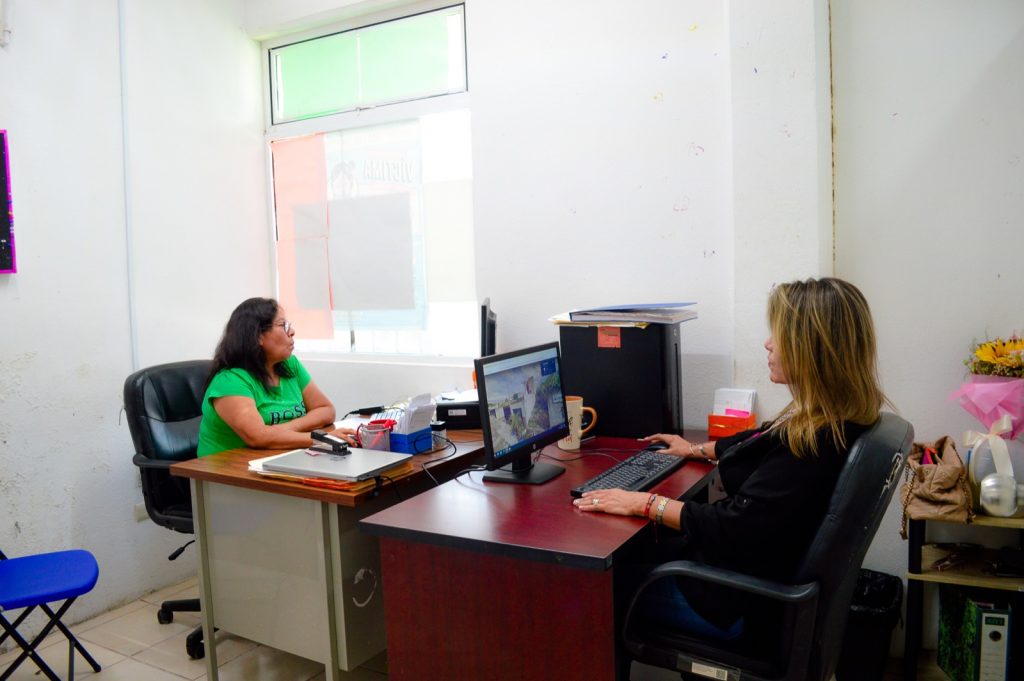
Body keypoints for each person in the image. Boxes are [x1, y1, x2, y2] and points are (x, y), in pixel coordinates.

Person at [573, 277, 888, 640]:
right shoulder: (837, 418)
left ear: (810, 348)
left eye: (778, 335)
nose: (768, 344)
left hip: (735, 602)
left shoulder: (812, 446)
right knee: (638, 551)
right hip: (750, 577)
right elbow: (764, 437)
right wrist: (696, 449)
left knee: (593, 586)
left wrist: (645, 503)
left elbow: (734, 526)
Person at [197, 297, 356, 457]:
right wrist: (323, 439)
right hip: (229, 468)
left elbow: (326, 410)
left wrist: (287, 428)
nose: (292, 331)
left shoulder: (290, 365)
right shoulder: (230, 380)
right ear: (257, 336)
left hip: (279, 458)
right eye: (282, 325)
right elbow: (257, 436)